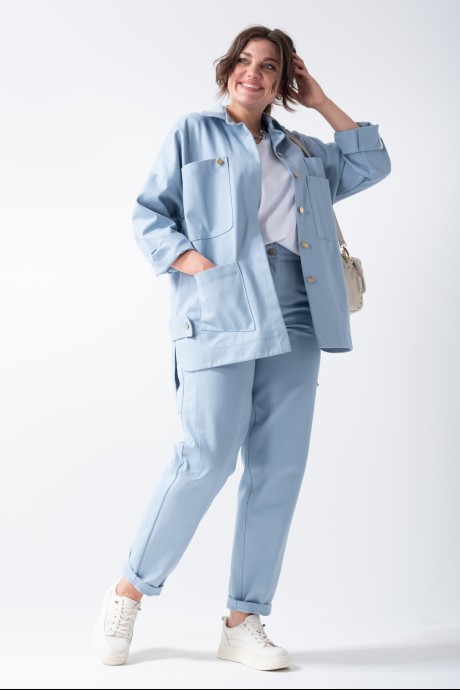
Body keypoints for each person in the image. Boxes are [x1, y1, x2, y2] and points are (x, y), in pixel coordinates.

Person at [92, 24, 391, 671]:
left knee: (277, 469)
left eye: (270, 66)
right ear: (228, 68)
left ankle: (243, 620)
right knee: (204, 457)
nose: (254, 72)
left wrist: (319, 100)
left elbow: (371, 163)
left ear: (283, 81)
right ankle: (128, 593)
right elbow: (149, 213)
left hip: (299, 307)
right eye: (245, 61)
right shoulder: (192, 133)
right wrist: (193, 263)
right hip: (221, 304)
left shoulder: (303, 151)